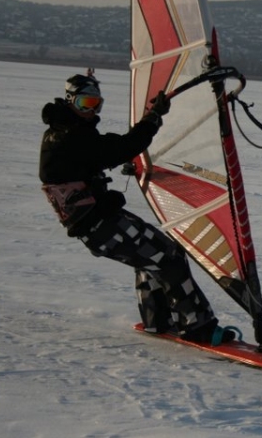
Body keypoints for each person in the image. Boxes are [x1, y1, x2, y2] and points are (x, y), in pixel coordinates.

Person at [39, 71, 234, 346]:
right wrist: (153, 119)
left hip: (96, 223)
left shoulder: (64, 133)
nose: (91, 110)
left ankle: (158, 321)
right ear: (70, 101)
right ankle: (197, 327)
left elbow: (92, 158)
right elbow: (121, 146)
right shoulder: (70, 136)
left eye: (96, 104)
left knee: (149, 257)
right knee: (168, 256)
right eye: (85, 104)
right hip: (97, 225)